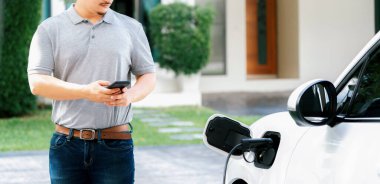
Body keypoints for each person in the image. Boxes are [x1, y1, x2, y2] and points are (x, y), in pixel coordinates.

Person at [27, 0, 156, 183]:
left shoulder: (131, 28)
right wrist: (85, 92)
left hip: (116, 144)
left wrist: (130, 95)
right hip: (66, 145)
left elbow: (148, 76)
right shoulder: (49, 29)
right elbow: (37, 82)